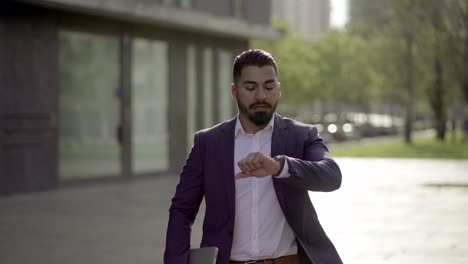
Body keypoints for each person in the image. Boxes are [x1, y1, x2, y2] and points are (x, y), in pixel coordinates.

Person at [164, 49, 343, 264]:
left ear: (278, 89)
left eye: (269, 86)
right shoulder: (208, 143)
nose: (261, 96)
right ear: (234, 91)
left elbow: (332, 176)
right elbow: (182, 209)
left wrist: (279, 166)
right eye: (250, 87)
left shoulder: (302, 135)